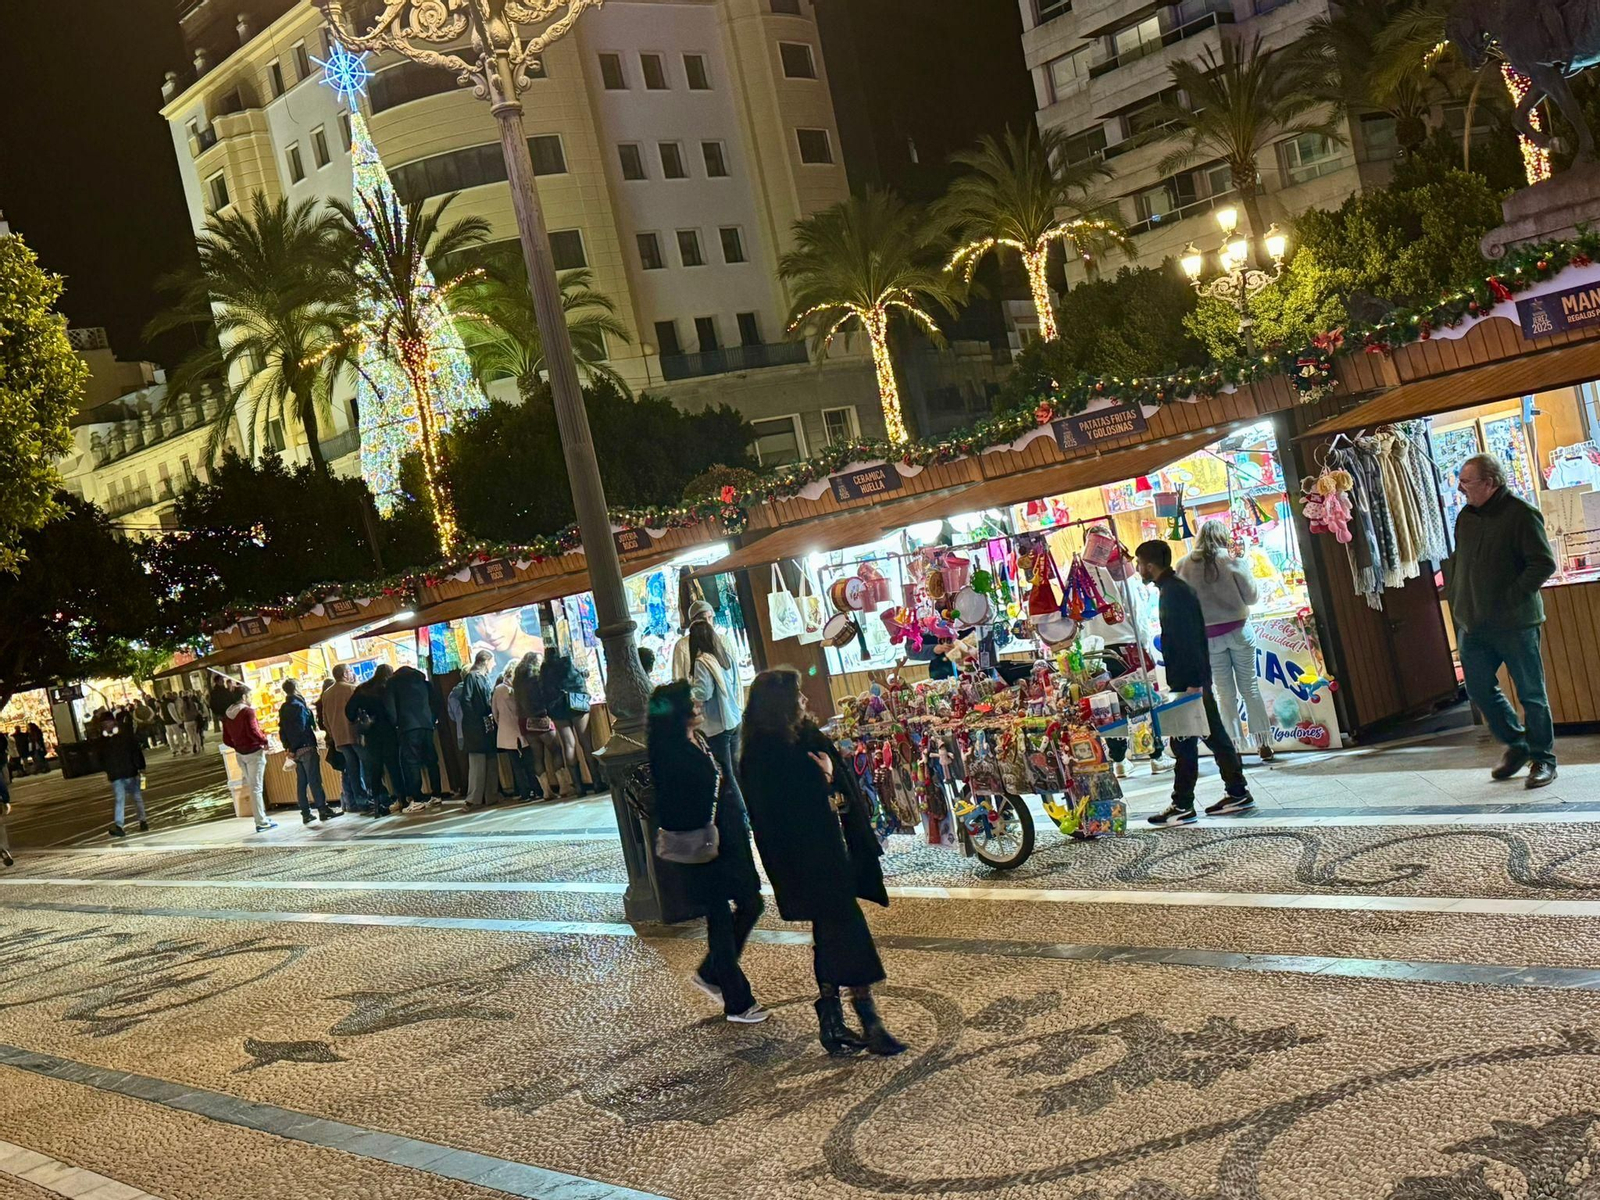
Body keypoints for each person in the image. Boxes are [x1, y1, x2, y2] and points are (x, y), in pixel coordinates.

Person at [740, 667, 905, 1058]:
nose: (804, 700)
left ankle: (833, 1021)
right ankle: (868, 1019)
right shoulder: (784, 748)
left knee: (829, 934)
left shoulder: (758, 750)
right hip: (819, 858)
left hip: (804, 861)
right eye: (797, 695)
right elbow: (798, 804)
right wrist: (827, 778)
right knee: (848, 932)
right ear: (781, 704)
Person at [649, 680, 767, 1024]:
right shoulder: (669, 753)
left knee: (752, 902)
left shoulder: (696, 739)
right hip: (703, 844)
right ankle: (737, 1001)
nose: (698, 703)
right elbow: (676, 807)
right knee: (718, 916)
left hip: (728, 837)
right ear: (677, 711)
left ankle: (711, 971)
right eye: (691, 701)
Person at [1445, 452, 1560, 789]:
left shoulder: (1522, 515)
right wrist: (1459, 600)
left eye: (1467, 482)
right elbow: (1462, 563)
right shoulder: (1466, 517)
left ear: (1490, 483)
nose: (1461, 488)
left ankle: (1543, 759)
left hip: (1515, 623)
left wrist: (1510, 597)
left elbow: (1542, 564)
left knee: (1531, 694)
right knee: (1479, 689)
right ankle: (1518, 745)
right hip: (1473, 624)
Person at [1135, 540, 1254, 827]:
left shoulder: (1174, 593)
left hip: (1189, 682)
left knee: (1185, 742)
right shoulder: (1174, 589)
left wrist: (1194, 684)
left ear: (1150, 566)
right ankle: (1236, 791)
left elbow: (1188, 640)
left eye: (1139, 564)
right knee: (1211, 737)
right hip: (1191, 679)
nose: (1138, 569)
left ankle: (1183, 804)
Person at [1176, 520, 1275, 762]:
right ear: (1223, 536)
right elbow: (1251, 597)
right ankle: (1263, 744)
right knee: (1250, 688)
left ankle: (1234, 748)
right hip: (1239, 632)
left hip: (1208, 638)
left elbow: (1182, 604)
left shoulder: (1183, 565)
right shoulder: (1232, 559)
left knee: (1224, 693)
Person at [689, 620, 745, 813]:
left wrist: (689, 692)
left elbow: (703, 692)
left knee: (727, 775)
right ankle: (750, 815)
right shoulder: (724, 656)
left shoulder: (702, 661)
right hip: (734, 718)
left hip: (717, 725)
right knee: (738, 772)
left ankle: (740, 818)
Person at [541, 650, 600, 796]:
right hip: (576, 702)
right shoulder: (568, 662)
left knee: (568, 745)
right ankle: (597, 782)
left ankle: (579, 787)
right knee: (586, 743)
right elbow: (579, 680)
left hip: (557, 707)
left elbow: (543, 689)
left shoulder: (545, 668)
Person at [278, 681, 336, 825]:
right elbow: (302, 728)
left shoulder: (284, 707)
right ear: (296, 688)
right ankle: (322, 809)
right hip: (306, 746)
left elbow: (282, 729)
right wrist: (294, 747)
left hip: (295, 750)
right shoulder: (299, 706)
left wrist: (288, 748)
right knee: (314, 779)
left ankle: (305, 813)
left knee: (302, 782)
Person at [346, 666, 401, 816]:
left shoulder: (363, 689)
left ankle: (377, 805)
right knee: (394, 767)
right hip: (388, 732)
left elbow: (349, 712)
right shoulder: (387, 687)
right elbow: (392, 712)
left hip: (371, 734)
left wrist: (360, 718)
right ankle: (401, 799)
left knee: (375, 770)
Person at [391, 663, 445, 813]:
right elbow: (435, 703)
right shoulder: (424, 682)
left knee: (412, 763)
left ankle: (418, 799)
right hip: (427, 725)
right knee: (431, 760)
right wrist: (431, 719)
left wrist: (396, 724)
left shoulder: (393, 683)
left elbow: (390, 707)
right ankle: (437, 794)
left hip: (407, 727)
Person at [222, 685, 276, 833]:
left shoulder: (227, 714)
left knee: (253, 787)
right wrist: (264, 741)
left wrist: (238, 745)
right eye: (250, 696)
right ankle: (261, 821)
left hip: (241, 754)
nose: (251, 699)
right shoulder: (248, 712)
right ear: (244, 697)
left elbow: (226, 739)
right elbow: (253, 731)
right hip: (254, 753)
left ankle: (261, 817)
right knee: (256, 788)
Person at [320, 666, 369, 813]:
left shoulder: (327, 694)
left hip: (339, 738)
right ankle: (372, 797)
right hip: (355, 734)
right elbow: (361, 710)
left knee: (352, 770)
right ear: (345, 674)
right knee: (366, 766)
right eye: (349, 671)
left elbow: (325, 719)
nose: (352, 673)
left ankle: (360, 801)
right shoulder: (352, 689)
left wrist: (333, 733)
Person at [97, 709, 147, 838]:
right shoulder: (102, 740)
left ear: (113, 722)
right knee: (120, 799)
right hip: (116, 775)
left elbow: (135, 750)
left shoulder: (125, 735)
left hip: (130, 772)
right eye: (104, 724)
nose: (106, 726)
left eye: (108, 723)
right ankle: (119, 825)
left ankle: (143, 820)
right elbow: (101, 757)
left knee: (137, 797)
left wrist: (140, 767)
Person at [493, 664, 539, 802]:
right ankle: (536, 789)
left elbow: (495, 713)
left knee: (516, 765)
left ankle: (524, 792)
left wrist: (501, 724)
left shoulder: (497, 690)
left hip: (506, 732)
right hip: (521, 729)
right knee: (529, 761)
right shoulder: (517, 690)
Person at [459, 650, 498, 809]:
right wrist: (475, 720)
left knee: (490, 760)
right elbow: (466, 700)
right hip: (477, 727)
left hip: (485, 724)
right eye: (492, 662)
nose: (494, 665)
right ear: (486, 661)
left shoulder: (482, 678)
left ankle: (491, 795)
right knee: (477, 763)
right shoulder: (472, 677)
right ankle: (473, 798)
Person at [672, 601, 734, 682]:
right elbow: (678, 677)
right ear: (694, 621)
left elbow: (734, 675)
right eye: (703, 619)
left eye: (710, 617)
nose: (708, 622)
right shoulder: (682, 646)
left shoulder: (723, 640)